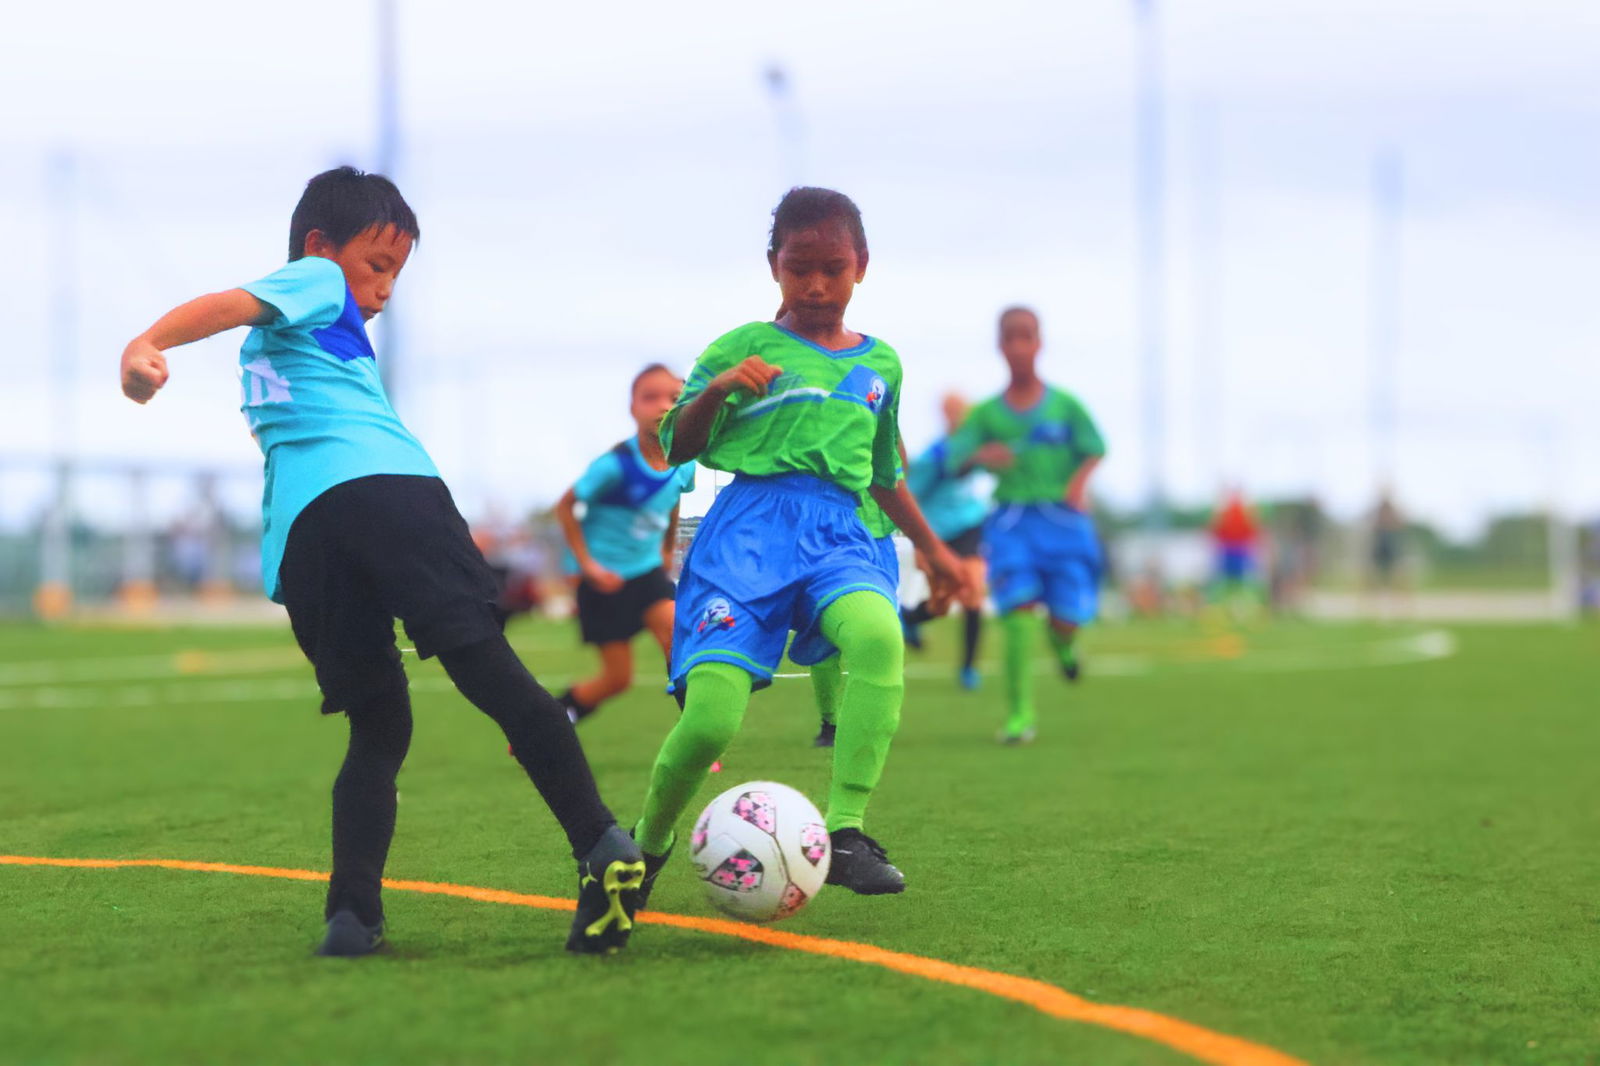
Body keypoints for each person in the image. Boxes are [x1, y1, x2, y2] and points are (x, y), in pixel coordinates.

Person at [117, 167, 644, 957]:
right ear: (322, 246)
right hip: (388, 492)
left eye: (396, 273)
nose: (385, 288)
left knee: (379, 724)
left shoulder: (307, 333)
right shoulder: (313, 280)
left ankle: (351, 916)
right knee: (485, 667)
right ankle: (601, 843)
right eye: (378, 265)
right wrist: (146, 343)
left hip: (308, 531)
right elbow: (227, 303)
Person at [631, 187, 965, 903]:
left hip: (840, 532)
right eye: (799, 267)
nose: (816, 286)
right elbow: (673, 448)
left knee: (879, 637)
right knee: (711, 723)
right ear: (773, 267)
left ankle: (845, 830)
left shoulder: (884, 368)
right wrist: (719, 389)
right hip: (746, 533)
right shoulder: (740, 348)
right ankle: (642, 851)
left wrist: (935, 551)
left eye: (833, 269)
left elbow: (884, 475)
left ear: (862, 268)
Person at [945, 307, 1106, 745]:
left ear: (1039, 343)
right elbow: (954, 461)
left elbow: (1096, 447)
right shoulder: (986, 415)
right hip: (1012, 522)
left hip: (1062, 523)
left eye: (1026, 336)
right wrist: (980, 457)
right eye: (1010, 337)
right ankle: (1020, 715)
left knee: (1067, 616)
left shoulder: (1065, 406)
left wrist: (1076, 485)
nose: (1018, 345)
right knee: (1016, 612)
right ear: (1000, 346)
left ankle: (1065, 644)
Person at [553, 364, 696, 721]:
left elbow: (672, 499)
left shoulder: (684, 465)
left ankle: (695, 741)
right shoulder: (614, 465)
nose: (663, 406)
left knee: (677, 636)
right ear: (632, 407)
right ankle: (549, 725)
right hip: (604, 581)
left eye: (674, 399)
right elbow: (566, 506)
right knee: (617, 679)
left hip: (647, 572)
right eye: (650, 398)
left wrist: (665, 550)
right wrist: (586, 565)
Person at [900, 393, 991, 689]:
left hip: (969, 526)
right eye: (954, 411)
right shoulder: (932, 458)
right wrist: (918, 542)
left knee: (974, 590)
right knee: (941, 602)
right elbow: (910, 496)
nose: (960, 416)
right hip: (938, 535)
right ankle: (910, 618)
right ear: (945, 414)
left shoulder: (971, 448)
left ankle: (968, 668)